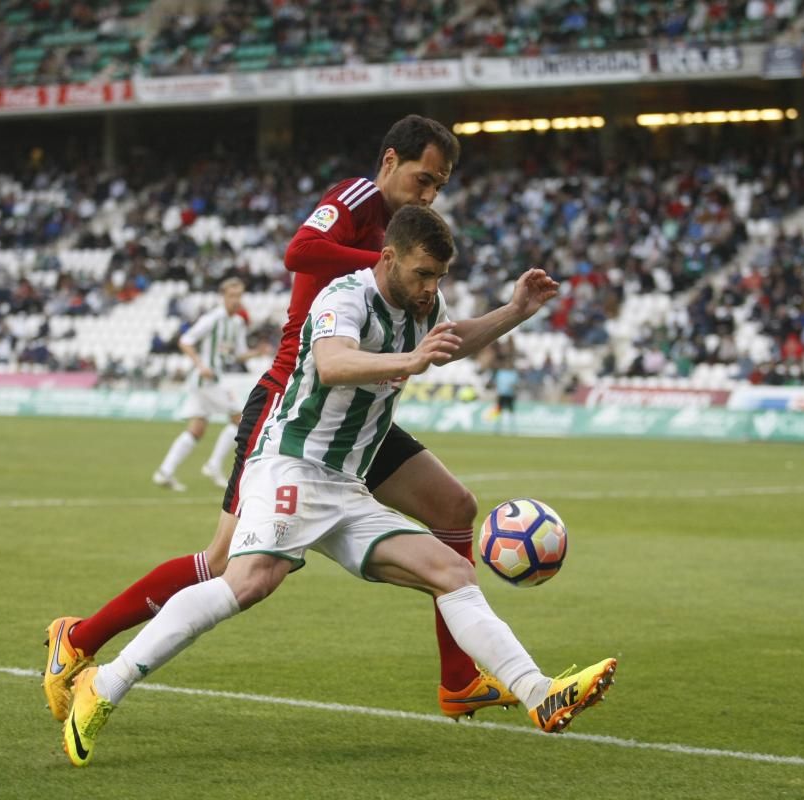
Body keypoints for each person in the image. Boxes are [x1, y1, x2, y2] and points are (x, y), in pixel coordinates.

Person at [61, 206, 617, 766]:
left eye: (439, 278)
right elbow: (331, 363)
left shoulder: (426, 306)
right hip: (292, 465)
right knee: (249, 580)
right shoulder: (344, 297)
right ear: (389, 258)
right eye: (423, 275)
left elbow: (451, 339)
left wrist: (516, 311)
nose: (431, 289)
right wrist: (411, 358)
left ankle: (539, 693)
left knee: (452, 572)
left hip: (346, 486)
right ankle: (103, 685)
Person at [44, 115, 512, 726]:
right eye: (423, 179)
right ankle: (79, 638)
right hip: (295, 406)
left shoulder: (406, 240)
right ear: (391, 160)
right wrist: (384, 259)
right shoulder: (357, 199)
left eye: (438, 188)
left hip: (357, 416)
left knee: (454, 507)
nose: (427, 195)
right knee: (223, 563)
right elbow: (300, 250)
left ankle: (460, 680)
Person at [152, 277, 268, 491]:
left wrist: (256, 353)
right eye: (231, 296)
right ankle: (213, 465)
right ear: (222, 296)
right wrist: (200, 364)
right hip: (205, 379)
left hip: (212, 381)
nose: (236, 300)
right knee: (240, 419)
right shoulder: (213, 318)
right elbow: (185, 341)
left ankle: (164, 472)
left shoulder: (237, 323)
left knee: (196, 429)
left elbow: (238, 354)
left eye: (239, 296)